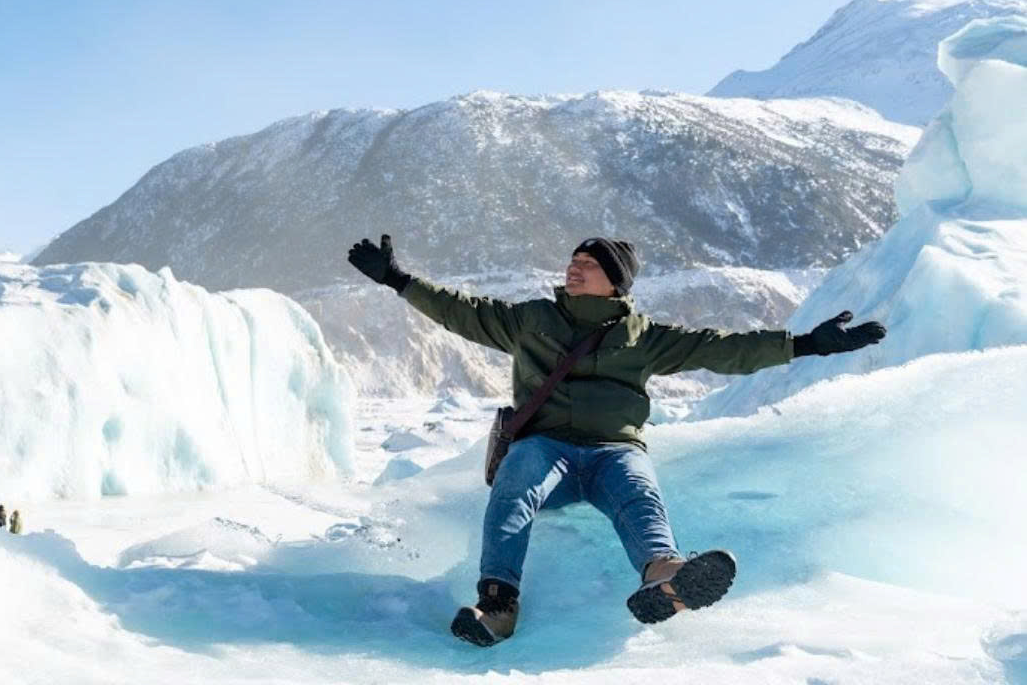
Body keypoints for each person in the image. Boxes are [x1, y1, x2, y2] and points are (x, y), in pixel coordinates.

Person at [346, 234, 885, 647]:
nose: (573, 269)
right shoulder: (532, 319)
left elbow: (723, 349)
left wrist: (808, 344)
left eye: (588, 265)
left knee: (638, 492)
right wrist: (397, 279)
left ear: (615, 281)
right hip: (546, 446)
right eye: (573, 262)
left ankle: (666, 576)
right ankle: (497, 605)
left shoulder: (644, 337)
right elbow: (463, 311)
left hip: (613, 451)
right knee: (517, 480)